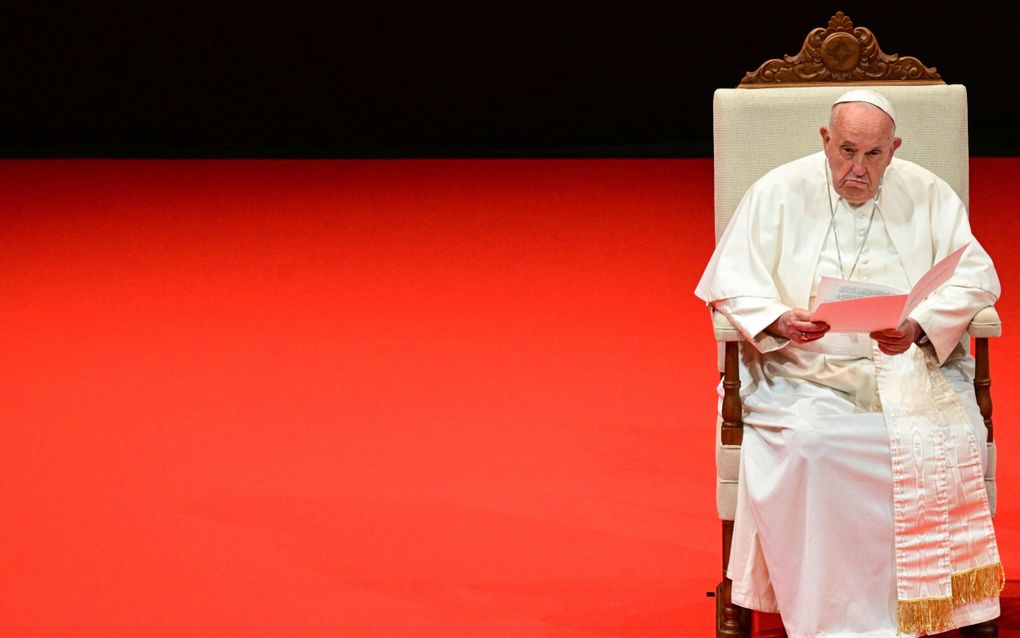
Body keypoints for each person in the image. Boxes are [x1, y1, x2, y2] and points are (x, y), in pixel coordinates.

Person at [696, 89, 1003, 638]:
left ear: (895, 149)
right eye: (845, 151)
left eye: (874, 155)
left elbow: (978, 276)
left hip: (908, 369)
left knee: (921, 443)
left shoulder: (927, 193)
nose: (857, 169)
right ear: (824, 140)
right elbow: (730, 282)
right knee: (814, 445)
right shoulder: (777, 192)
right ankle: (831, 622)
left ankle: (913, 612)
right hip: (802, 371)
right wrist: (778, 319)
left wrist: (919, 326)